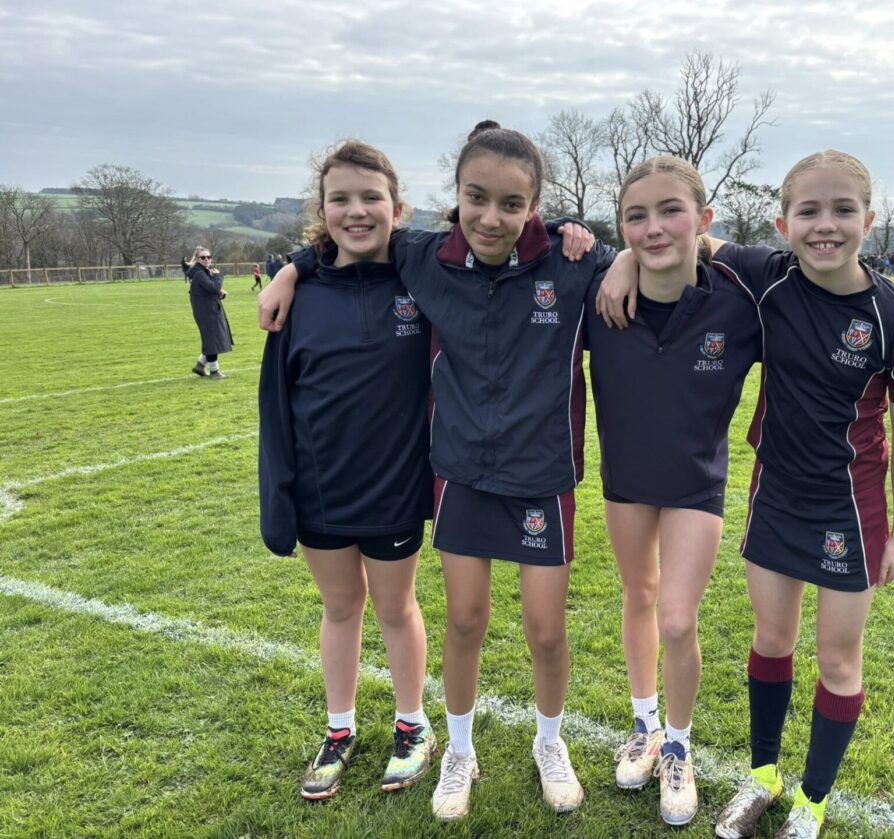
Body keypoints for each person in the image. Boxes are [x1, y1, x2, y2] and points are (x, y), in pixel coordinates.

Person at [260, 122, 608, 821]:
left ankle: (548, 741)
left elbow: (650, 260)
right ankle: (457, 750)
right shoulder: (425, 257)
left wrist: (601, 248)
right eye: (476, 197)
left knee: (545, 631)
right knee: (465, 620)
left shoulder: (571, 263)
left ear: (535, 206)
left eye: (511, 204)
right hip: (460, 473)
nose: (491, 216)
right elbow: (347, 237)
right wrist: (292, 267)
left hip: (541, 477)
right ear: (454, 198)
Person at [597, 150, 894, 839]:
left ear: (869, 219)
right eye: (808, 211)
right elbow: (688, 234)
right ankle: (762, 777)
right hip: (775, 495)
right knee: (771, 639)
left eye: (842, 210)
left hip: (851, 510)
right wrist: (622, 261)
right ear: (784, 224)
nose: (825, 225)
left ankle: (811, 802)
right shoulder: (767, 277)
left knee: (839, 659)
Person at [258, 140, 436, 801]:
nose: (356, 211)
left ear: (397, 207)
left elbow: (490, 233)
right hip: (321, 491)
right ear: (322, 209)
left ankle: (412, 725)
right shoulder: (298, 295)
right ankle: (339, 729)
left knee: (395, 606)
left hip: (394, 487)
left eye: (371, 198)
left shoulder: (421, 279)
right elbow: (277, 405)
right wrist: (293, 268)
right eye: (340, 199)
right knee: (339, 607)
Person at [586, 156, 762, 826]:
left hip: (696, 481)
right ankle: (645, 725)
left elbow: (822, 285)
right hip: (627, 478)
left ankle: (679, 746)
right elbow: (534, 241)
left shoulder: (738, 306)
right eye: (636, 217)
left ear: (703, 219)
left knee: (679, 619)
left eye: (670, 211)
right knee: (640, 594)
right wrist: (616, 261)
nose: (653, 228)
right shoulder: (599, 297)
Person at [184, 246, 232, 379]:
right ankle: (214, 371)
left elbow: (208, 290)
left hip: (209, 309)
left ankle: (200, 365)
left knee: (211, 339)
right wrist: (218, 276)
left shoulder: (201, 272)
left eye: (208, 257)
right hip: (207, 312)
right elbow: (214, 287)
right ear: (197, 259)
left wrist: (219, 293)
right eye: (203, 257)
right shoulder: (199, 273)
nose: (206, 259)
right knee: (212, 340)